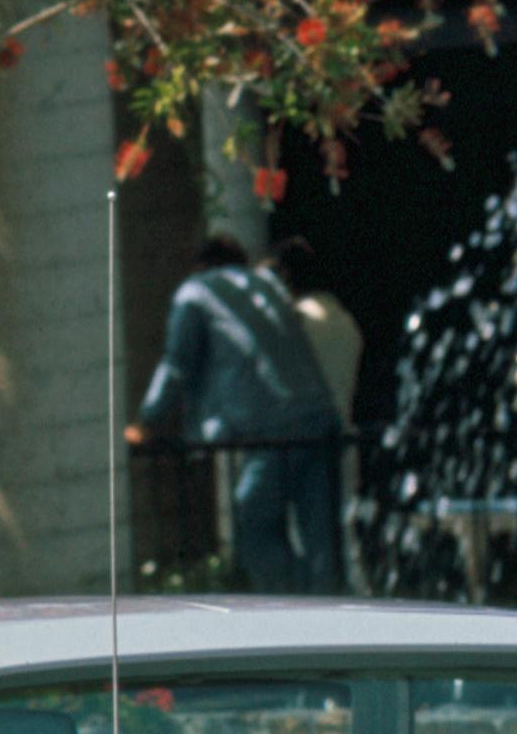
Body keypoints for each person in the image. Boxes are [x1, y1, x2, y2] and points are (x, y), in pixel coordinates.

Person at [129, 233, 341, 593]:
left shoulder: (197, 292)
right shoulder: (268, 286)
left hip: (273, 427)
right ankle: (331, 610)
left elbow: (177, 364)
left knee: (253, 530)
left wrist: (147, 422)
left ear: (200, 266)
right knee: (322, 537)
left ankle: (295, 608)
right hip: (319, 416)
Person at [269, 238, 361, 592]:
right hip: (343, 436)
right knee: (344, 535)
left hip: (303, 439)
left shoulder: (296, 324)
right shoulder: (344, 320)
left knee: (305, 537)